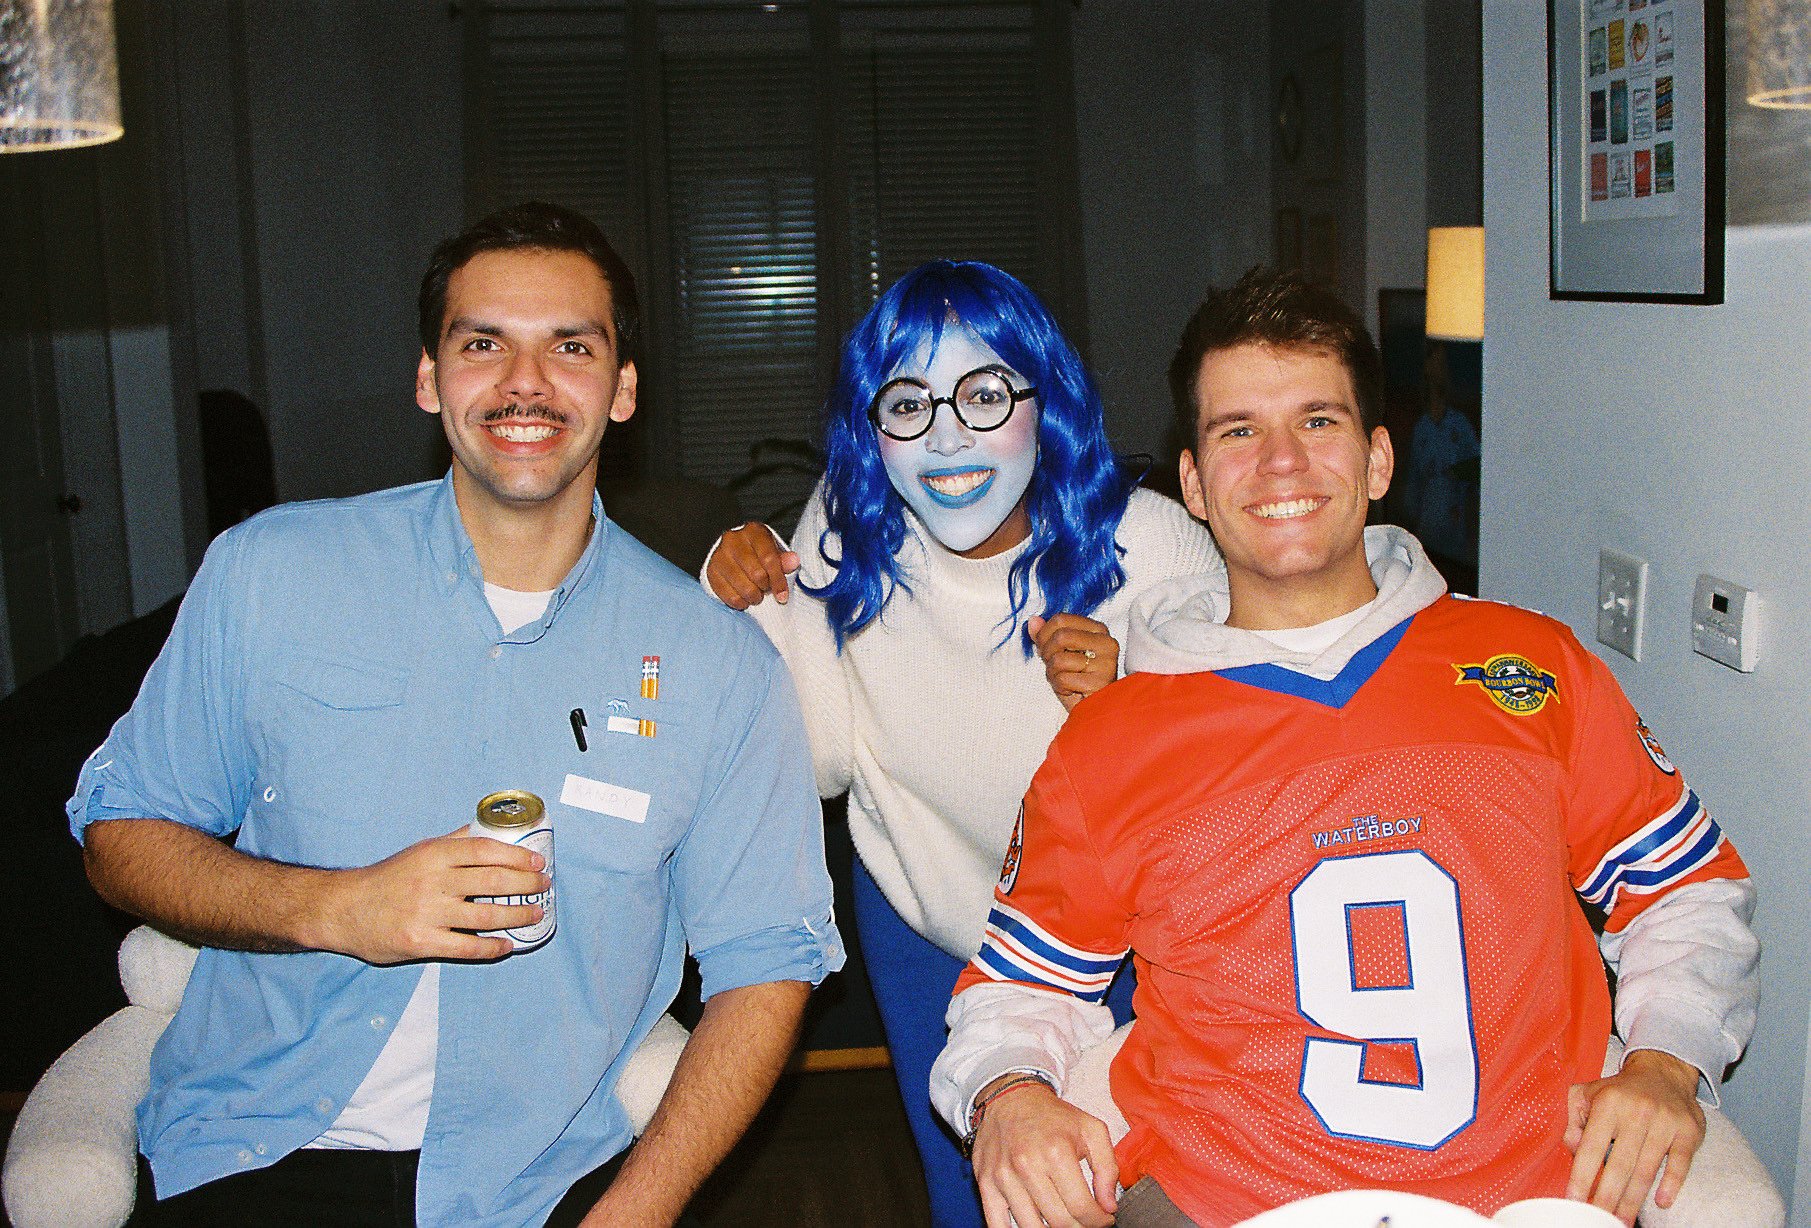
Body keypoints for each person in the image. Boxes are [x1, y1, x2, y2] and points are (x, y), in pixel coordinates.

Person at [930, 268, 1759, 1228]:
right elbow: (1016, 990)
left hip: (1535, 1196)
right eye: (1237, 431)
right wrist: (1009, 1095)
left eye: (1316, 423)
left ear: (1376, 462)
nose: (1280, 463)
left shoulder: (1531, 667)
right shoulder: (1109, 743)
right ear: (1192, 484)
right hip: (1228, 1201)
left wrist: (1662, 1064)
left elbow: (1688, 889)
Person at [68, 201, 843, 1228]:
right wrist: (335, 907)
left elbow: (768, 963)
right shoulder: (272, 572)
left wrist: (635, 1212)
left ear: (621, 391)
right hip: (256, 1153)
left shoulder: (715, 664)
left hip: (538, 1180)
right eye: (484, 343)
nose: (525, 382)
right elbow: (120, 832)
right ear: (431, 378)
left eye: (569, 346)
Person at [703, 260, 1220, 1226]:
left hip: (1124, 950)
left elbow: (1237, 805)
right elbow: (819, 759)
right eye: (906, 403)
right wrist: (744, 590)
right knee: (979, 1200)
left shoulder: (1151, 545)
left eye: (983, 395)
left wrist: (1125, 705)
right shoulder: (847, 533)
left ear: (1045, 398)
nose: (945, 434)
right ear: (871, 427)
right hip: (928, 925)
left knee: (1154, 1192)